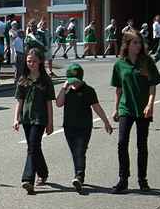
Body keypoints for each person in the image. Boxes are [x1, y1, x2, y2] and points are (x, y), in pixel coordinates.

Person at [110, 31, 160, 194]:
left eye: (140, 43)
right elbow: (118, 89)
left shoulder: (147, 62)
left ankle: (142, 179)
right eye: (135, 43)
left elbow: (153, 86)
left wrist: (150, 105)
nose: (138, 46)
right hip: (126, 107)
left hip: (143, 109)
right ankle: (123, 179)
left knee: (141, 144)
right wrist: (116, 108)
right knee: (122, 143)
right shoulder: (119, 64)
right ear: (127, 44)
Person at [55, 64, 113, 193]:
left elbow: (97, 107)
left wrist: (106, 122)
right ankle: (79, 174)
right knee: (75, 152)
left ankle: (79, 176)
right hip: (69, 127)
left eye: (76, 81)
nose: (74, 84)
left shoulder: (89, 91)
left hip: (84, 126)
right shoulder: (67, 90)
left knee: (80, 150)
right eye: (71, 81)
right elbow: (58, 103)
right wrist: (64, 88)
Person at [12, 48, 55, 195]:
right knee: (34, 147)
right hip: (26, 119)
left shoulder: (45, 80)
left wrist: (50, 123)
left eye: (34, 61)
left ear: (40, 61)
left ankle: (28, 180)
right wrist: (16, 118)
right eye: (29, 61)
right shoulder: (23, 79)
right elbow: (20, 101)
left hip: (40, 119)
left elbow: (49, 103)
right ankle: (43, 172)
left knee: (32, 147)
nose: (31, 63)